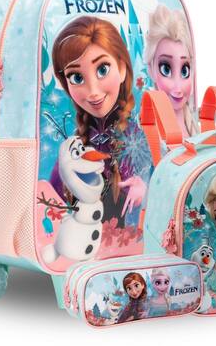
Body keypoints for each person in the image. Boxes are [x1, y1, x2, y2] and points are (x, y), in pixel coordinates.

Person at [50, 16, 150, 228]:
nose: (93, 92)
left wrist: (147, 190)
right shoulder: (75, 146)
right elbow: (53, 199)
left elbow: (168, 185)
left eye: (103, 69)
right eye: (76, 78)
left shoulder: (140, 138)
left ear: (121, 68)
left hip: (132, 240)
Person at [144, 4, 198, 137]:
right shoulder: (146, 134)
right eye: (166, 69)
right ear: (151, 68)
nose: (178, 88)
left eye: (185, 71)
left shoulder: (196, 128)